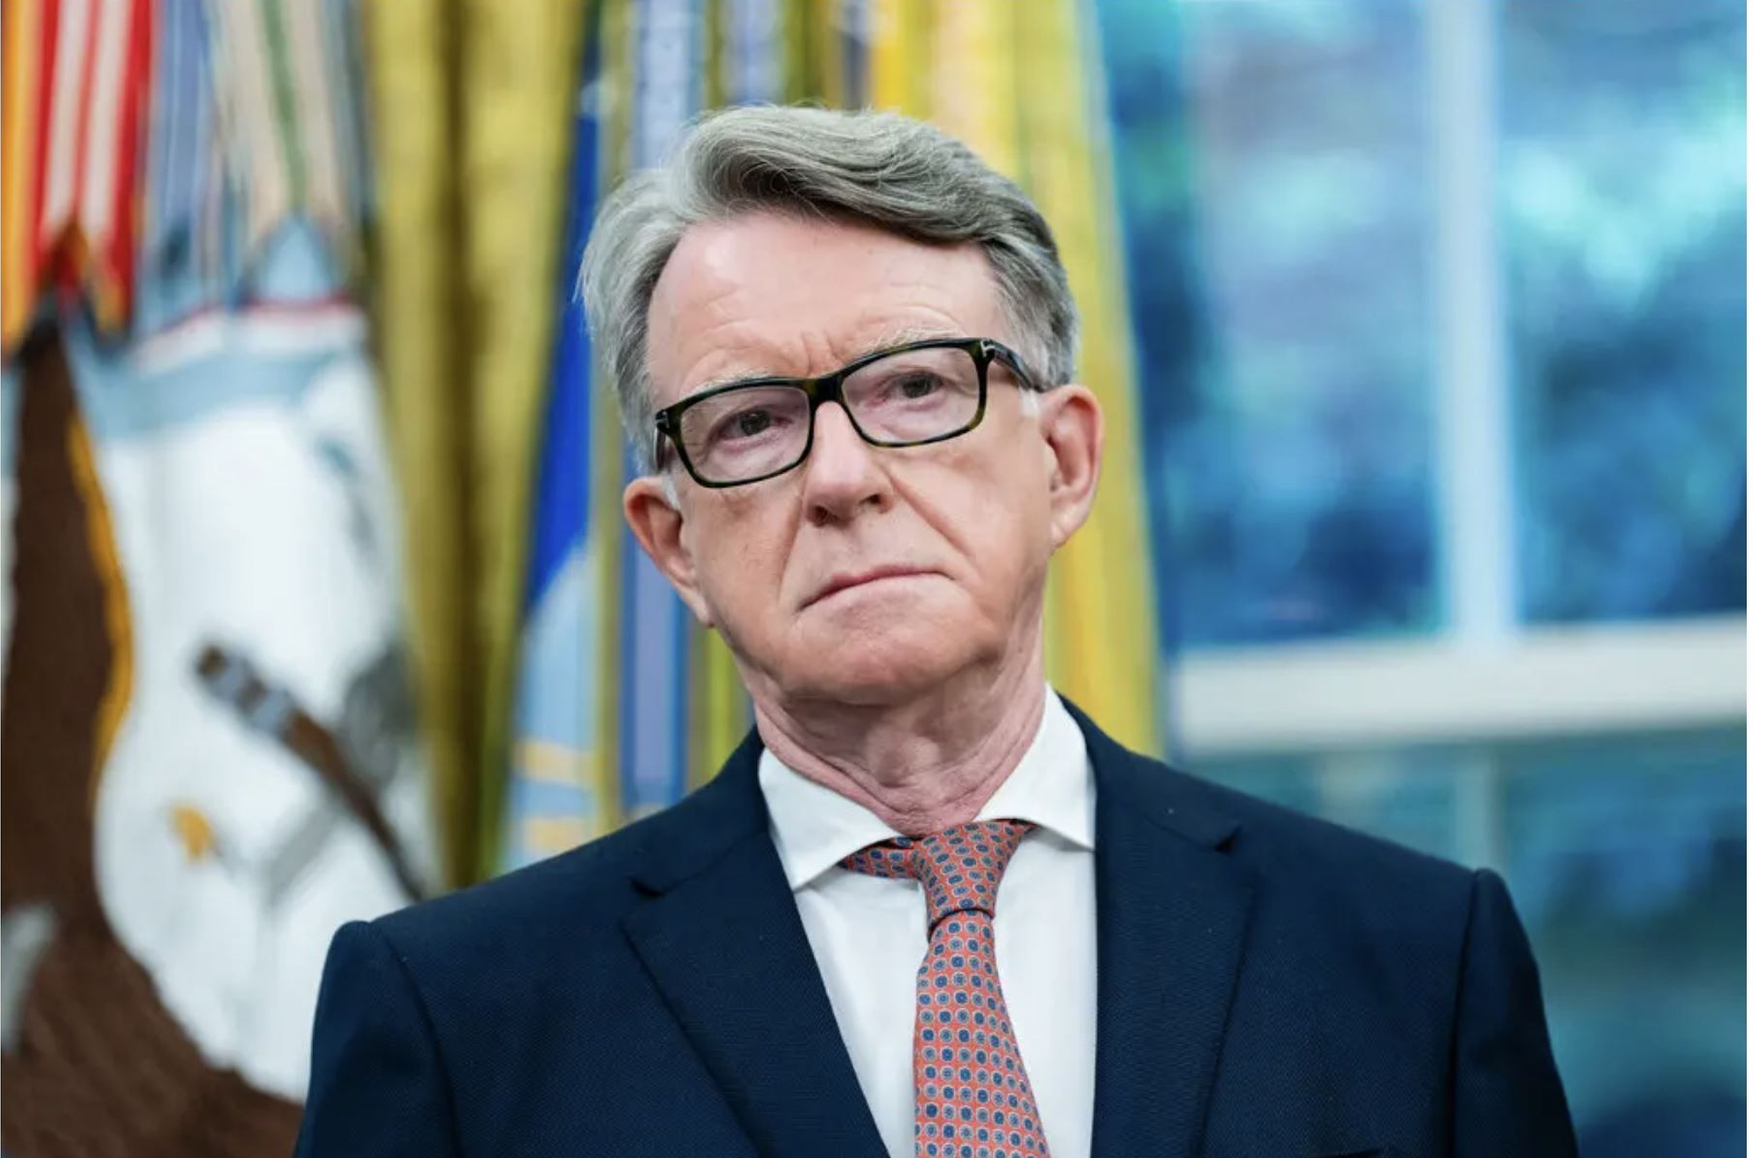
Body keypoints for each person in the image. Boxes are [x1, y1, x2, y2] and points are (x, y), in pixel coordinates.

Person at [294, 105, 1576, 1158]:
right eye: (749, 421)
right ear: (673, 543)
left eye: (914, 387)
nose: (840, 477)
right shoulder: (456, 1021)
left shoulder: (1415, 960)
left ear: (1063, 462)